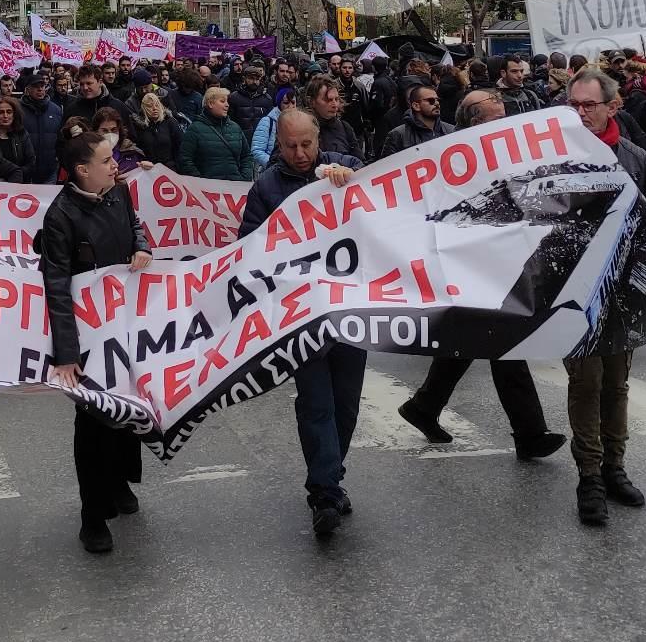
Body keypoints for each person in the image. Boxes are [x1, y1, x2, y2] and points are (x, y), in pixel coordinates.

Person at [398, 89, 567, 458]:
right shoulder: (449, 161)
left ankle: (425, 405)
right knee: (503, 342)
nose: (504, 125)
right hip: (472, 265)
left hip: (499, 262)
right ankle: (529, 433)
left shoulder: (500, 154)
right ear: (475, 124)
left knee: (472, 338)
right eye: (495, 120)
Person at [563, 71, 646, 526]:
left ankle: (613, 466)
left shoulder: (634, 155)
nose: (581, 113)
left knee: (615, 382)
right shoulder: (554, 151)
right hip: (572, 287)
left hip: (624, 285)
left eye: (589, 105)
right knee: (586, 381)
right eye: (574, 105)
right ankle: (589, 477)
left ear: (611, 106)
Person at [238, 110, 363, 537]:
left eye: (305, 144)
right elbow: (247, 245)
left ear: (317, 138)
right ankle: (324, 492)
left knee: (345, 404)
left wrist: (352, 176)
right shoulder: (268, 185)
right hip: (299, 316)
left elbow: (385, 201)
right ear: (279, 145)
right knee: (315, 403)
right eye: (289, 146)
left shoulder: (341, 168)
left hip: (349, 310)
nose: (298, 153)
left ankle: (331, 475)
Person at [39, 129, 154, 553]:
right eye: (108, 159)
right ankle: (93, 513)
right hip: (88, 335)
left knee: (128, 408)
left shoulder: (119, 194)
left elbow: (135, 228)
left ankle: (122, 481)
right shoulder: (61, 216)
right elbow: (56, 285)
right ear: (83, 170)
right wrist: (66, 354)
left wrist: (141, 249)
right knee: (93, 422)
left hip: (124, 323)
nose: (115, 165)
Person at [179, 86, 253, 180]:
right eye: (222, 101)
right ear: (210, 103)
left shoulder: (235, 127)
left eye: (227, 101)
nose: (227, 105)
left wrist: (244, 178)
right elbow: (185, 160)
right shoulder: (195, 129)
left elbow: (246, 156)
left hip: (234, 189)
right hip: (207, 191)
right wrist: (200, 182)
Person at [381, 83, 449, 156]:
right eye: (431, 100)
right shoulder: (398, 135)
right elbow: (389, 165)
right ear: (416, 106)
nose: (437, 103)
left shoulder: (450, 130)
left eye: (438, 100)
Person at [0, 94, 37, 180]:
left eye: (9, 112)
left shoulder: (22, 135)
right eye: (1, 112)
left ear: (14, 115)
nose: (5, 116)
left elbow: (31, 163)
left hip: (19, 184)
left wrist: (15, 175)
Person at [134, 91, 181, 169]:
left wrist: (176, 167)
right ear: (144, 108)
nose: (154, 108)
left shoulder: (170, 122)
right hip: (149, 169)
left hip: (171, 168)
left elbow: (180, 147)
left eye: (157, 105)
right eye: (150, 106)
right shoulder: (140, 126)